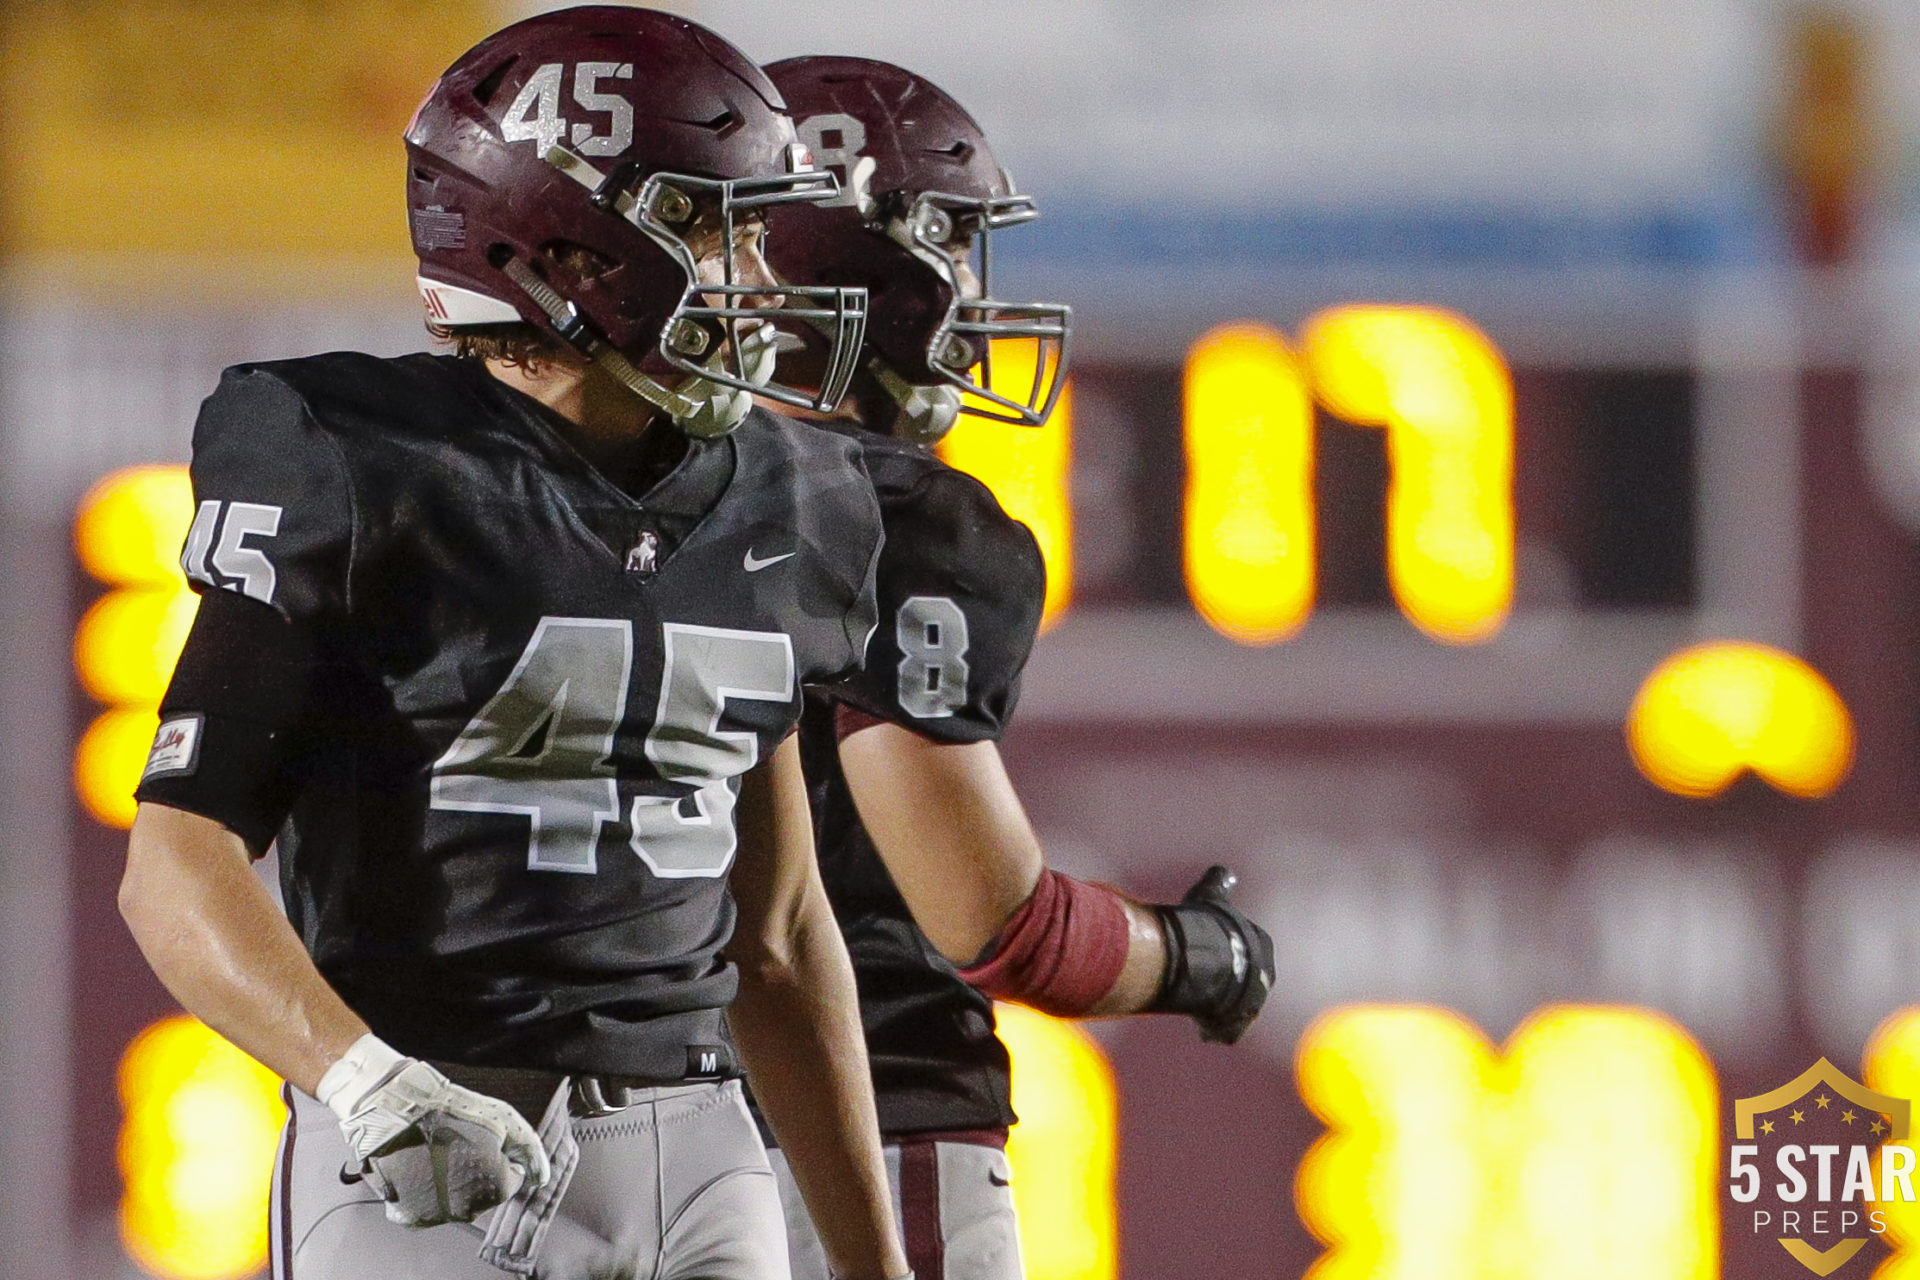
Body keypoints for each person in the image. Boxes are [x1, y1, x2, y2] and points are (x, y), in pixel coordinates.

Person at [118, 11, 912, 1280]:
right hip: (433, 1141)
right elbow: (174, 858)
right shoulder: (368, 461)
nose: (762, 277)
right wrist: (365, 1083)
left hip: (703, 1141)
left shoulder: (795, 497)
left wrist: (879, 1264)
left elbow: (776, 929)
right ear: (572, 247)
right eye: (722, 227)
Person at [754, 56, 1277, 1280]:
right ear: (872, 265)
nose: (970, 293)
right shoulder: (894, 519)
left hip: (592, 1135)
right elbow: (995, 922)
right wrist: (1200, 955)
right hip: (862, 1128)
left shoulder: (559, 497)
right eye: (955, 247)